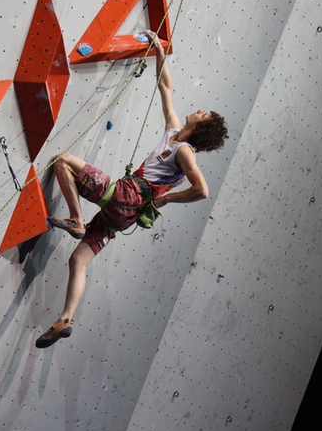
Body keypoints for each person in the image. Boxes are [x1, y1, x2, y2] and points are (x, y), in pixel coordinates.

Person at [35, 31, 228, 348]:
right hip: (123, 216)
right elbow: (165, 86)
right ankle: (65, 319)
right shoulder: (174, 132)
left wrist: (165, 200)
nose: (200, 109)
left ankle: (76, 219)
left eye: (204, 114)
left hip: (125, 196)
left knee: (62, 161)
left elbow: (202, 190)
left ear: (202, 127)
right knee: (78, 261)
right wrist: (157, 51)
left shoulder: (184, 152)